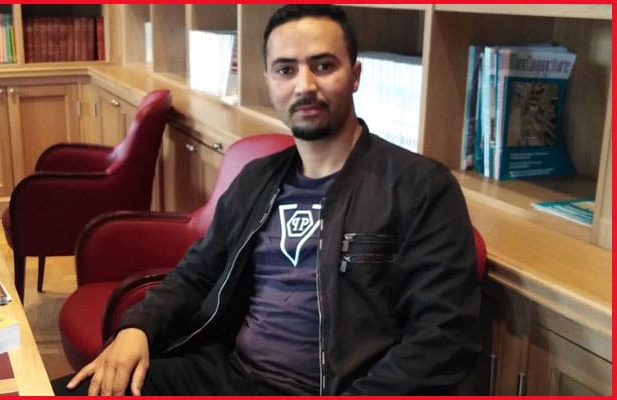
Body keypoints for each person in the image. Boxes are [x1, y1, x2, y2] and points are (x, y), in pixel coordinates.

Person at [53, 4, 481, 396]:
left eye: (323, 66)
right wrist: (138, 328)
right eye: (285, 70)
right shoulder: (257, 180)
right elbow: (198, 272)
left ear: (355, 75)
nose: (304, 85)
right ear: (269, 83)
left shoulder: (420, 188)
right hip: (228, 375)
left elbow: (442, 336)